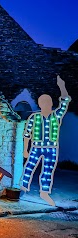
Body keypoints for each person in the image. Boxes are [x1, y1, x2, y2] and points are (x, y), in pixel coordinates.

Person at [21, 75, 71, 206]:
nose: (45, 105)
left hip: (51, 148)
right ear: (39, 104)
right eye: (43, 103)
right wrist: (25, 149)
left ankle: (44, 192)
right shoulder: (34, 117)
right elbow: (27, 134)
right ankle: (23, 188)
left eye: (48, 102)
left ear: (51, 104)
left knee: (47, 171)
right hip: (36, 147)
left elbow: (65, 102)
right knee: (29, 167)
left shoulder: (56, 116)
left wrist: (62, 86)